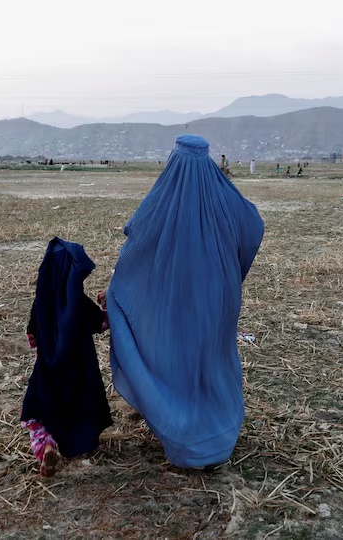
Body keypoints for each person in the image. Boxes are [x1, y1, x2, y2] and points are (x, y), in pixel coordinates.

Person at [105, 134, 264, 469]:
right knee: (213, 360)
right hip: (218, 298)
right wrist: (232, 273)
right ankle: (218, 436)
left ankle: (185, 436)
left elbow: (137, 237)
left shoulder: (164, 197)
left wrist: (121, 289)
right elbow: (253, 227)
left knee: (177, 358)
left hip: (174, 299)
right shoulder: (226, 196)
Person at [20, 238, 112, 477]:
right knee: (81, 405)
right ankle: (81, 442)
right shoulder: (79, 303)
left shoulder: (41, 302)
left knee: (40, 410)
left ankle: (45, 446)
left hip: (48, 368)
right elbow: (102, 323)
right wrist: (108, 306)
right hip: (81, 369)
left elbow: (32, 337)